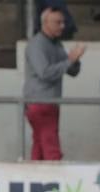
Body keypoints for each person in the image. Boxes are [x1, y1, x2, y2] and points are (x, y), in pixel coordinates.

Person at [24, 5, 83, 161]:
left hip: (50, 103)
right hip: (40, 103)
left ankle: (33, 177)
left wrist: (74, 61)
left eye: (63, 22)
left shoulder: (57, 44)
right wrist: (69, 61)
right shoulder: (36, 45)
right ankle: (56, 181)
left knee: (40, 143)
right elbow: (45, 73)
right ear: (45, 23)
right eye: (58, 22)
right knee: (51, 147)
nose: (62, 26)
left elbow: (72, 71)